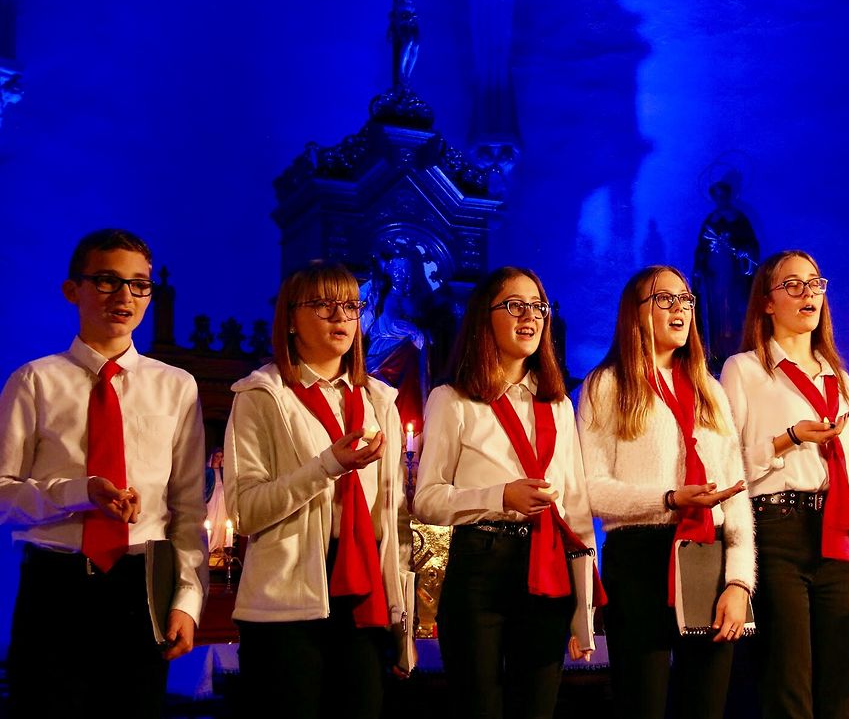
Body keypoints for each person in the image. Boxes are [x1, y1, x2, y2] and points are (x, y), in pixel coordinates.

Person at [0, 228, 207, 717]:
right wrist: (79, 492)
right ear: (73, 289)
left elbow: (188, 507)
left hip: (141, 582)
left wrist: (187, 599)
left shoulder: (176, 387)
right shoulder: (35, 381)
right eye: (107, 280)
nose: (125, 296)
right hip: (55, 585)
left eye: (139, 284)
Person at [225, 261, 409, 719]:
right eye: (324, 305)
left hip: (363, 587)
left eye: (351, 306)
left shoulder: (379, 400)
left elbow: (394, 518)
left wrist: (401, 609)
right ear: (290, 319)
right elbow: (245, 511)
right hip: (289, 597)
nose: (341, 317)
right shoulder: (262, 396)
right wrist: (327, 466)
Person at [415, 266, 599, 719]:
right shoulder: (453, 399)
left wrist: (584, 610)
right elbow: (427, 498)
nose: (530, 316)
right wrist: (498, 496)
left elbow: (576, 510)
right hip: (480, 566)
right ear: (485, 316)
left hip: (547, 566)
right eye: (515, 305)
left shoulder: (558, 404)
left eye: (538, 307)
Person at [578, 265, 754, 719]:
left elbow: (736, 494)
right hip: (639, 558)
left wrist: (739, 582)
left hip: (708, 554)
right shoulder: (607, 385)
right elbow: (591, 489)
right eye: (665, 299)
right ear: (635, 312)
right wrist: (669, 498)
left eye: (686, 299)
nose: (680, 308)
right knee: (643, 703)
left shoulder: (710, 390)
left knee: (706, 706)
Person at [720, 249, 849, 719]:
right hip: (777, 529)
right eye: (792, 285)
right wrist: (787, 439)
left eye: (814, 283)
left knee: (840, 687)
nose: (807, 293)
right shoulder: (744, 369)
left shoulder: (839, 380)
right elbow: (728, 467)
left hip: (837, 536)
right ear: (767, 302)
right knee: (788, 682)